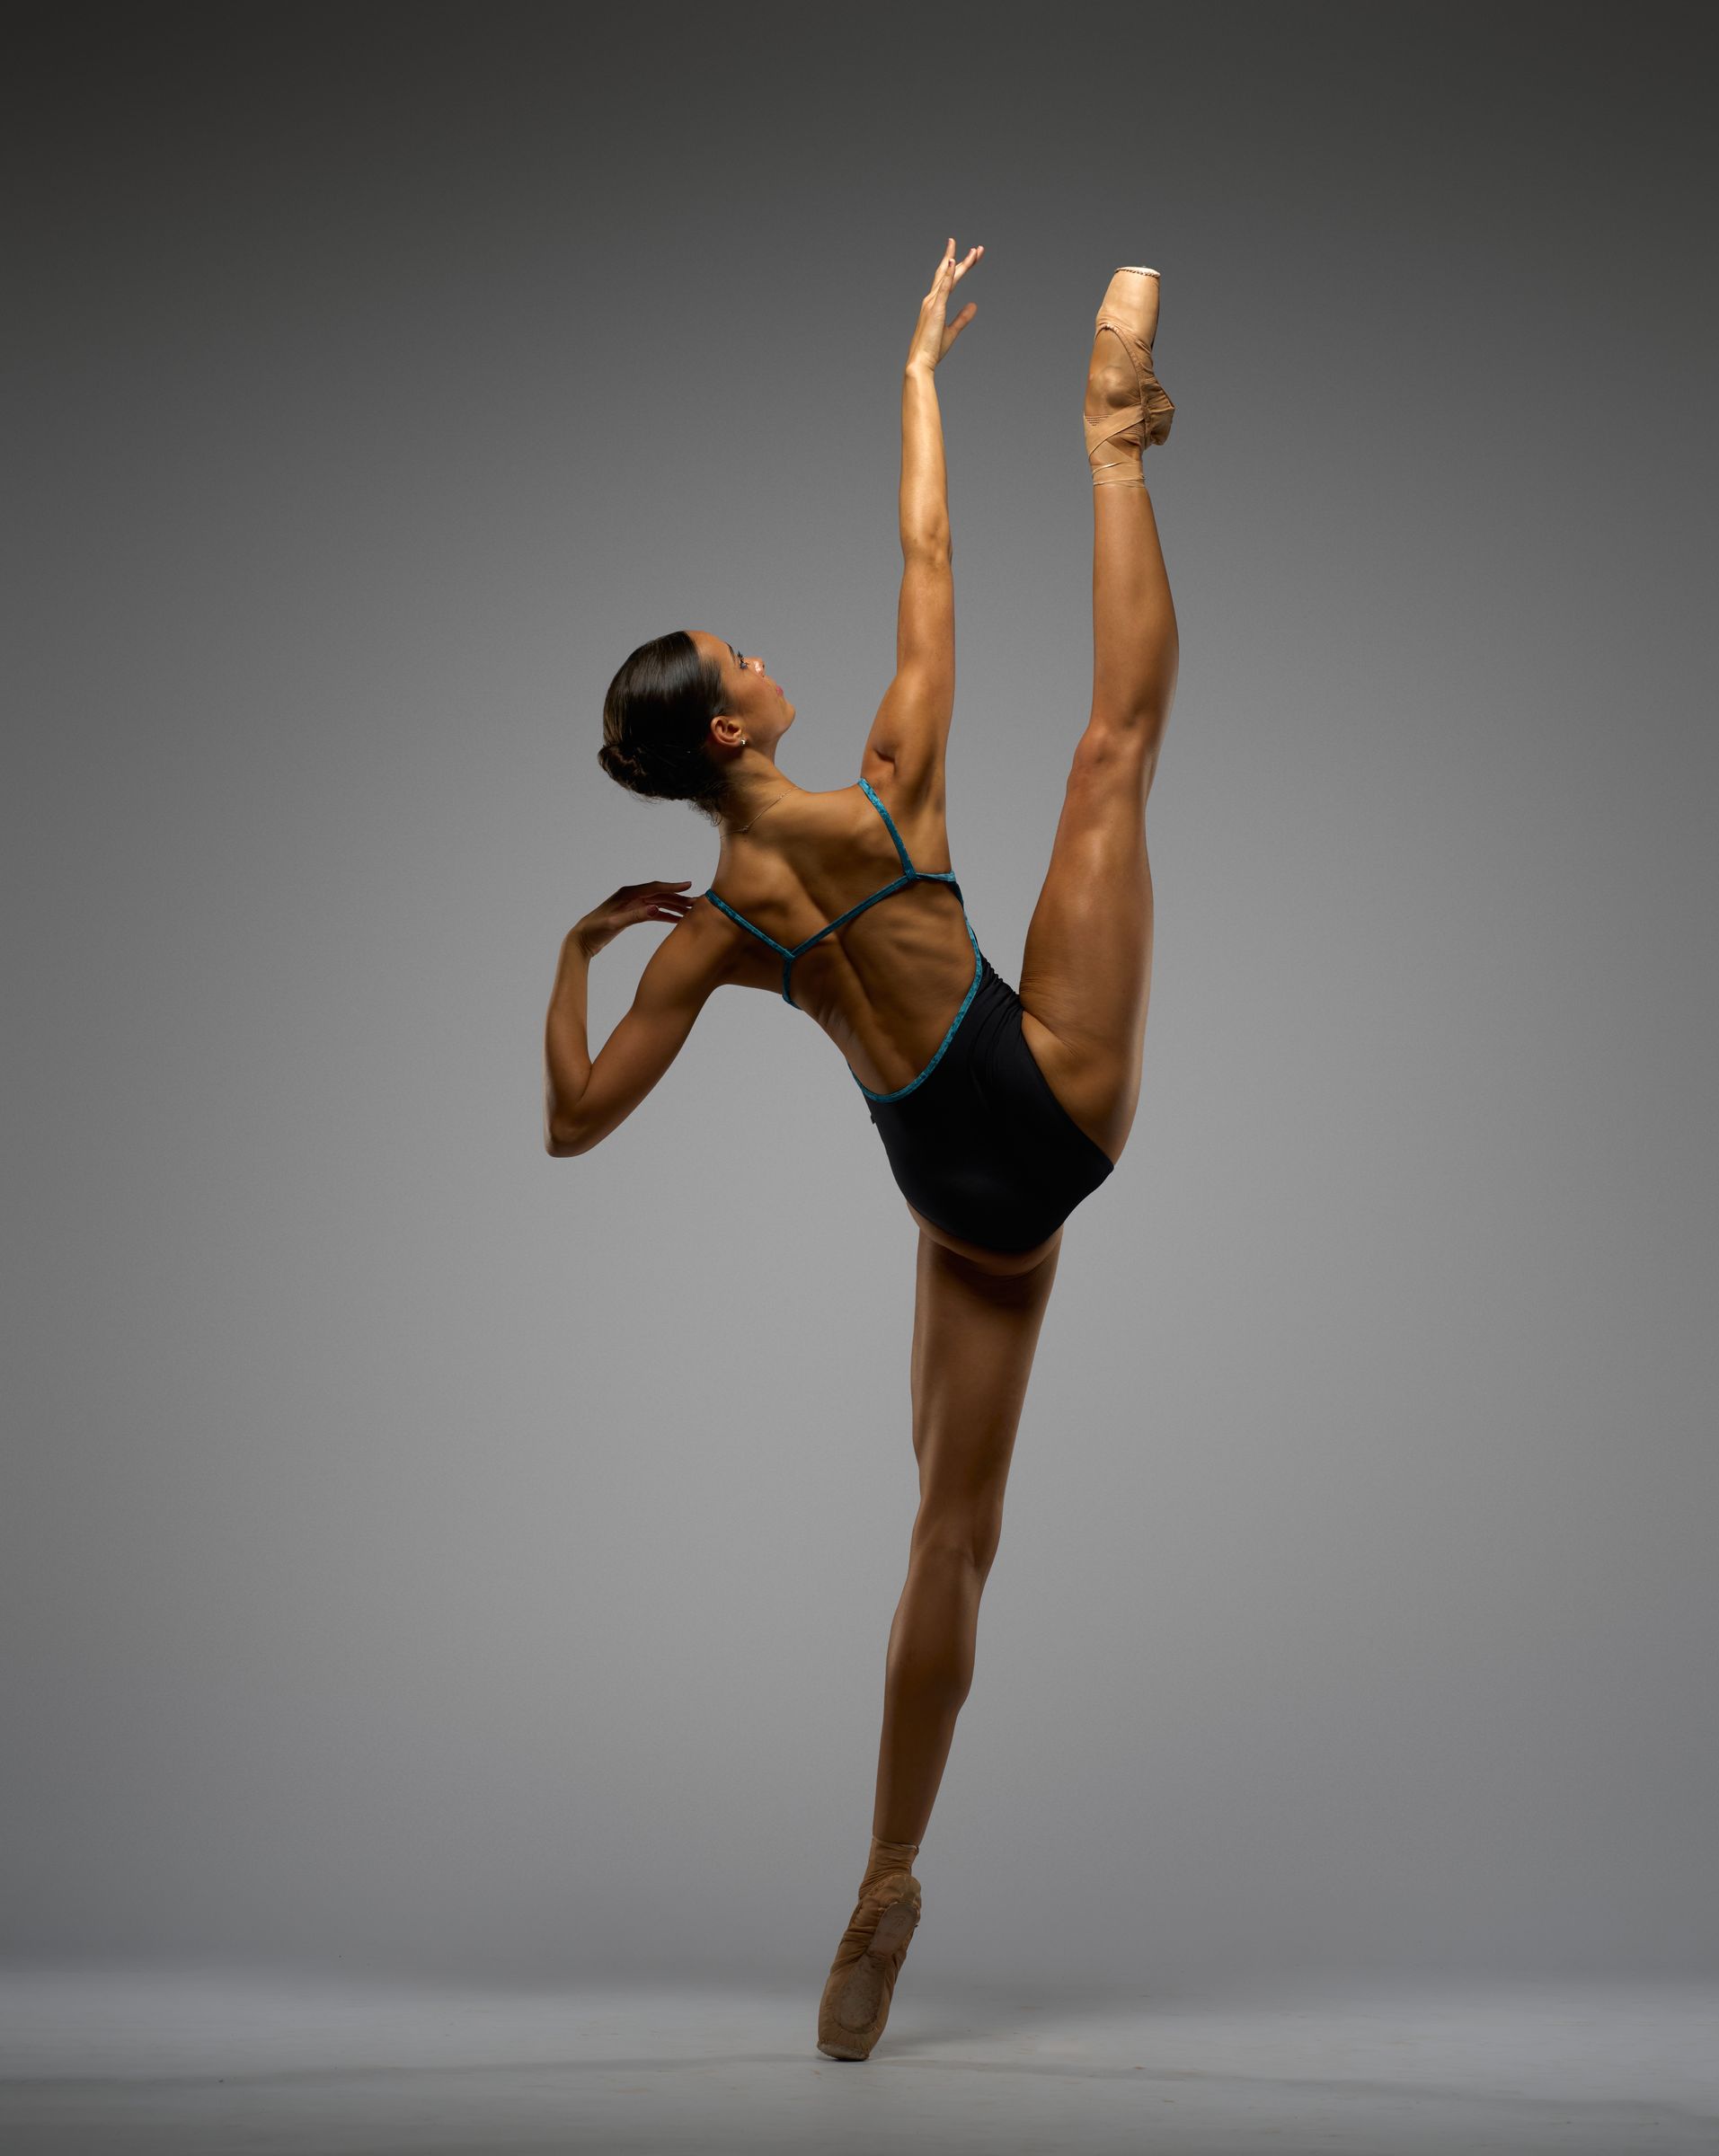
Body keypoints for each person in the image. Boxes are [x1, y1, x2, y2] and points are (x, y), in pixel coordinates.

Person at [545, 239, 1178, 2058]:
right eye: (741, 654)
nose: (761, 649)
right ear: (733, 725)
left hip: (966, 1207)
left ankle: (889, 1874)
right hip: (1053, 1092)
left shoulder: (711, 935)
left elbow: (574, 1124)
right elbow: (929, 561)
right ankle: (1113, 442)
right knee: (1110, 755)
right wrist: (916, 380)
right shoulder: (889, 781)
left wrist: (573, 956)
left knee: (949, 1537)